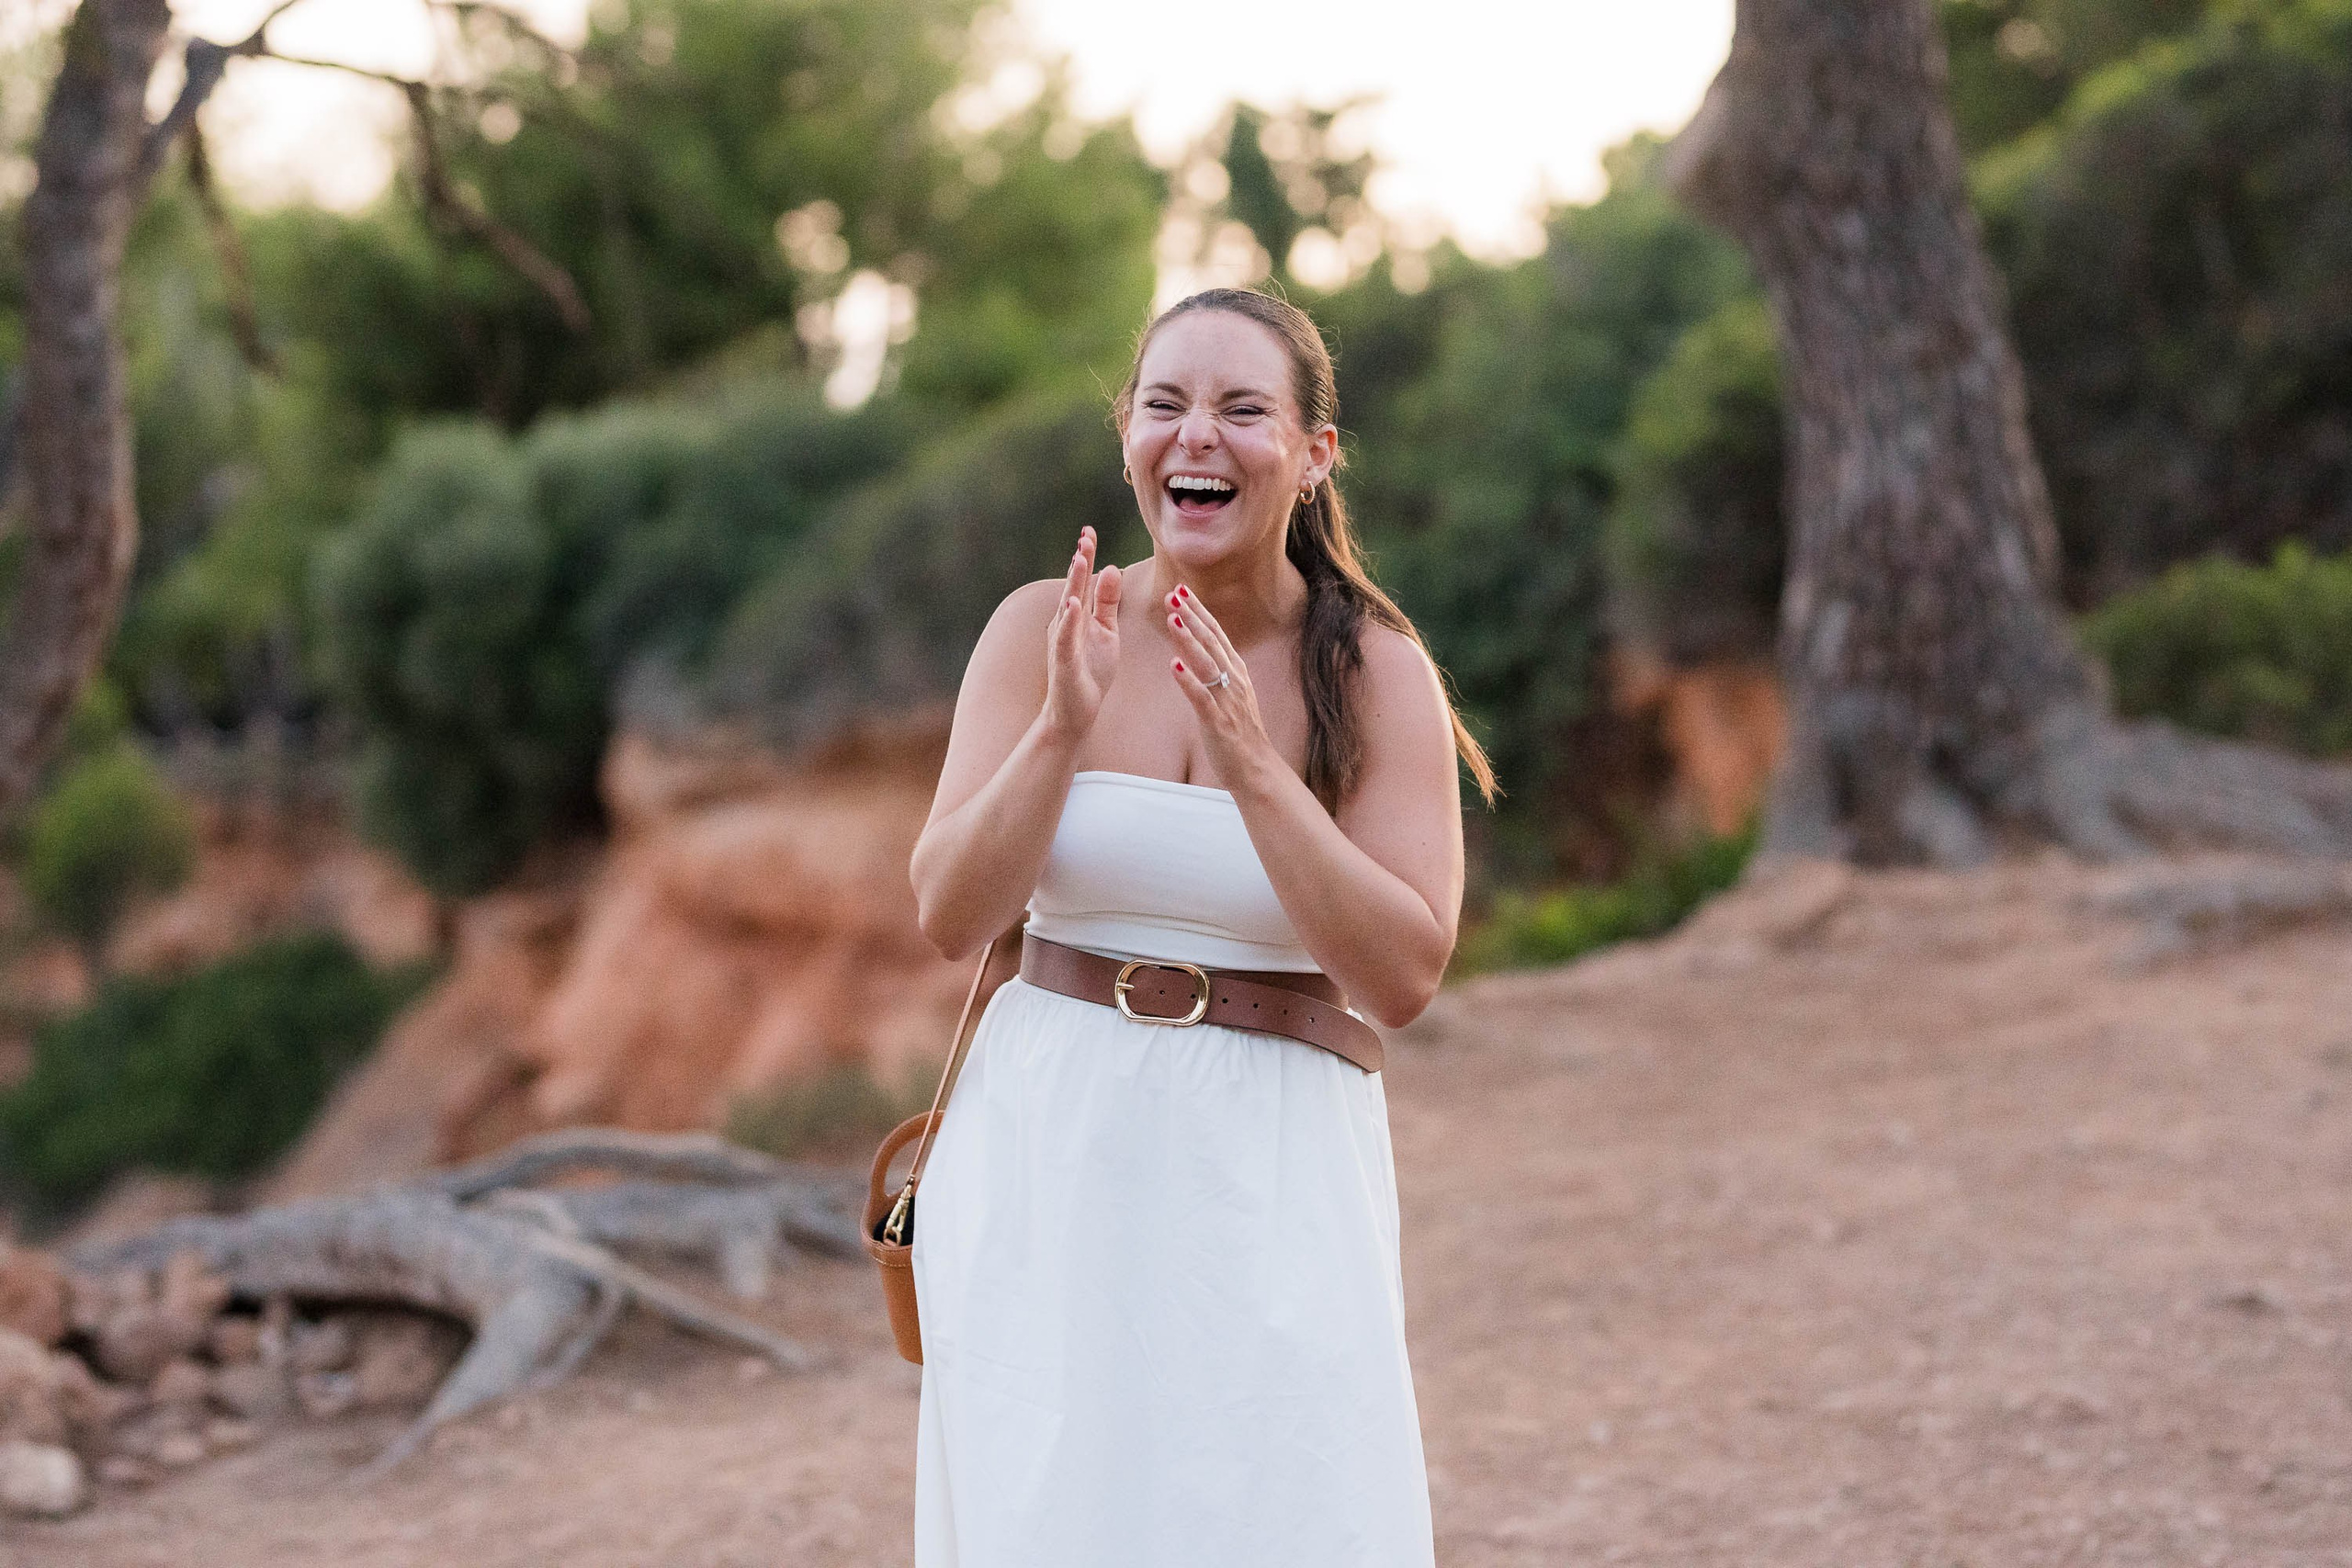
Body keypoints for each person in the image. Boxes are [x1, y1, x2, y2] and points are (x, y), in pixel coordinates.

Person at [905, 287, 1495, 1566]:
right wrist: (1062, 727)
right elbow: (950, 911)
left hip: (1272, 1158)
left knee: (1281, 1508)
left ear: (1314, 452)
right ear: (1127, 433)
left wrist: (1256, 770)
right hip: (1046, 1142)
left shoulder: (1376, 673)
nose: (1197, 439)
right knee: (1050, 1513)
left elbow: (1402, 974)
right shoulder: (1038, 632)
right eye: (1165, 405)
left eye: (1242, 410)